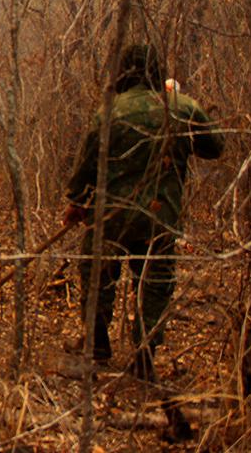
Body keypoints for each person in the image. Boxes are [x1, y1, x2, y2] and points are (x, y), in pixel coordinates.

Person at [63, 43, 224, 379]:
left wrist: (76, 201)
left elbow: (88, 162)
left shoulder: (110, 111)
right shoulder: (181, 107)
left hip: (111, 217)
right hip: (160, 218)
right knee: (154, 283)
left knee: (97, 277)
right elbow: (215, 148)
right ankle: (145, 354)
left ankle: (97, 345)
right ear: (156, 70)